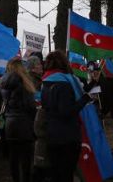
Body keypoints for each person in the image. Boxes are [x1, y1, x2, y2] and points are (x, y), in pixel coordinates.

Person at [41, 51, 92, 182]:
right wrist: (85, 99)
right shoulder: (64, 83)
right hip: (67, 136)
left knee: (56, 174)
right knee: (66, 174)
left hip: (51, 135)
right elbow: (66, 112)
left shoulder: (45, 82)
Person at [1, 59, 37, 182]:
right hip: (24, 123)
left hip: (10, 124)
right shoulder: (24, 83)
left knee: (13, 156)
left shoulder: (4, 82)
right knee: (26, 158)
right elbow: (30, 106)